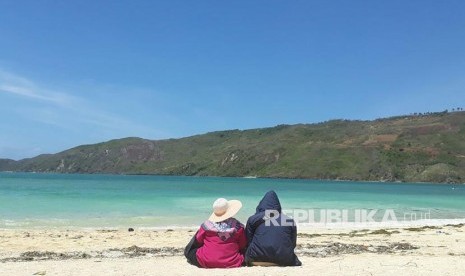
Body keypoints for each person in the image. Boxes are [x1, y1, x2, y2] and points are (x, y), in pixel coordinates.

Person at [184, 197, 247, 268]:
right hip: (232, 261)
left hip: (206, 260)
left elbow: (198, 241)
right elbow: (242, 245)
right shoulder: (238, 227)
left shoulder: (206, 226)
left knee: (189, 251)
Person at [245, 190, 301, 266]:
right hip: (284, 260)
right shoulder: (289, 220)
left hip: (256, 259)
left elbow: (248, 240)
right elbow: (292, 243)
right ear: (278, 206)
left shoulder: (253, 219)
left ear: (261, 205)